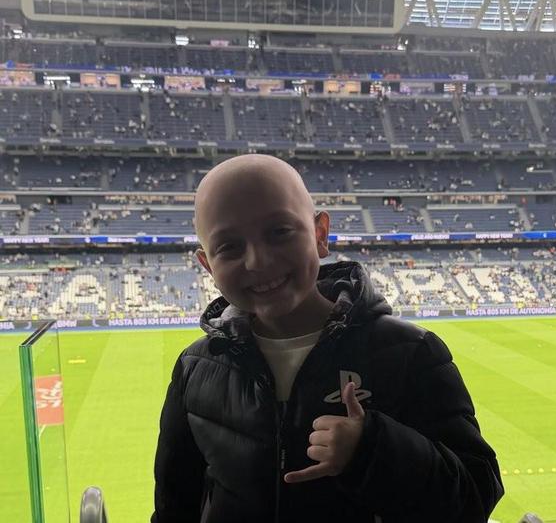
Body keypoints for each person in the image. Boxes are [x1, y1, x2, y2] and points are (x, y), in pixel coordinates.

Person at [152, 153, 504, 523]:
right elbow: (174, 507)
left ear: (320, 234)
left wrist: (372, 450)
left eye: (279, 232)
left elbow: (476, 494)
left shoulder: (411, 353)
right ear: (207, 265)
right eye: (229, 247)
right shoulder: (194, 369)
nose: (258, 261)